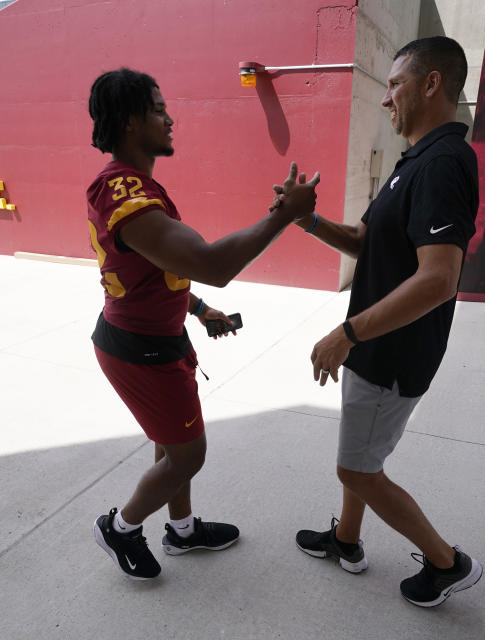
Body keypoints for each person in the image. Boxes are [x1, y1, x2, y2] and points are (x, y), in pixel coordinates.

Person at [86, 68, 319, 580]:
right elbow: (213, 265)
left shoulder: (134, 187)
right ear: (129, 122)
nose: (170, 118)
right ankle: (121, 528)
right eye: (158, 109)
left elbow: (154, 269)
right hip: (142, 350)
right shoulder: (124, 190)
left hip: (153, 339)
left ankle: (183, 531)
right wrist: (284, 214)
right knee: (187, 457)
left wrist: (197, 310)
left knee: (171, 444)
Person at [281, 37, 483, 607]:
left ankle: (446, 564)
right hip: (374, 345)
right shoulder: (415, 159)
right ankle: (347, 541)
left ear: (431, 83)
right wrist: (307, 219)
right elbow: (365, 242)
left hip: (389, 352)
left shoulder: (444, 162)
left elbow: (438, 279)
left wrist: (346, 334)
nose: (385, 98)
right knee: (362, 457)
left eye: (394, 84)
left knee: (358, 470)